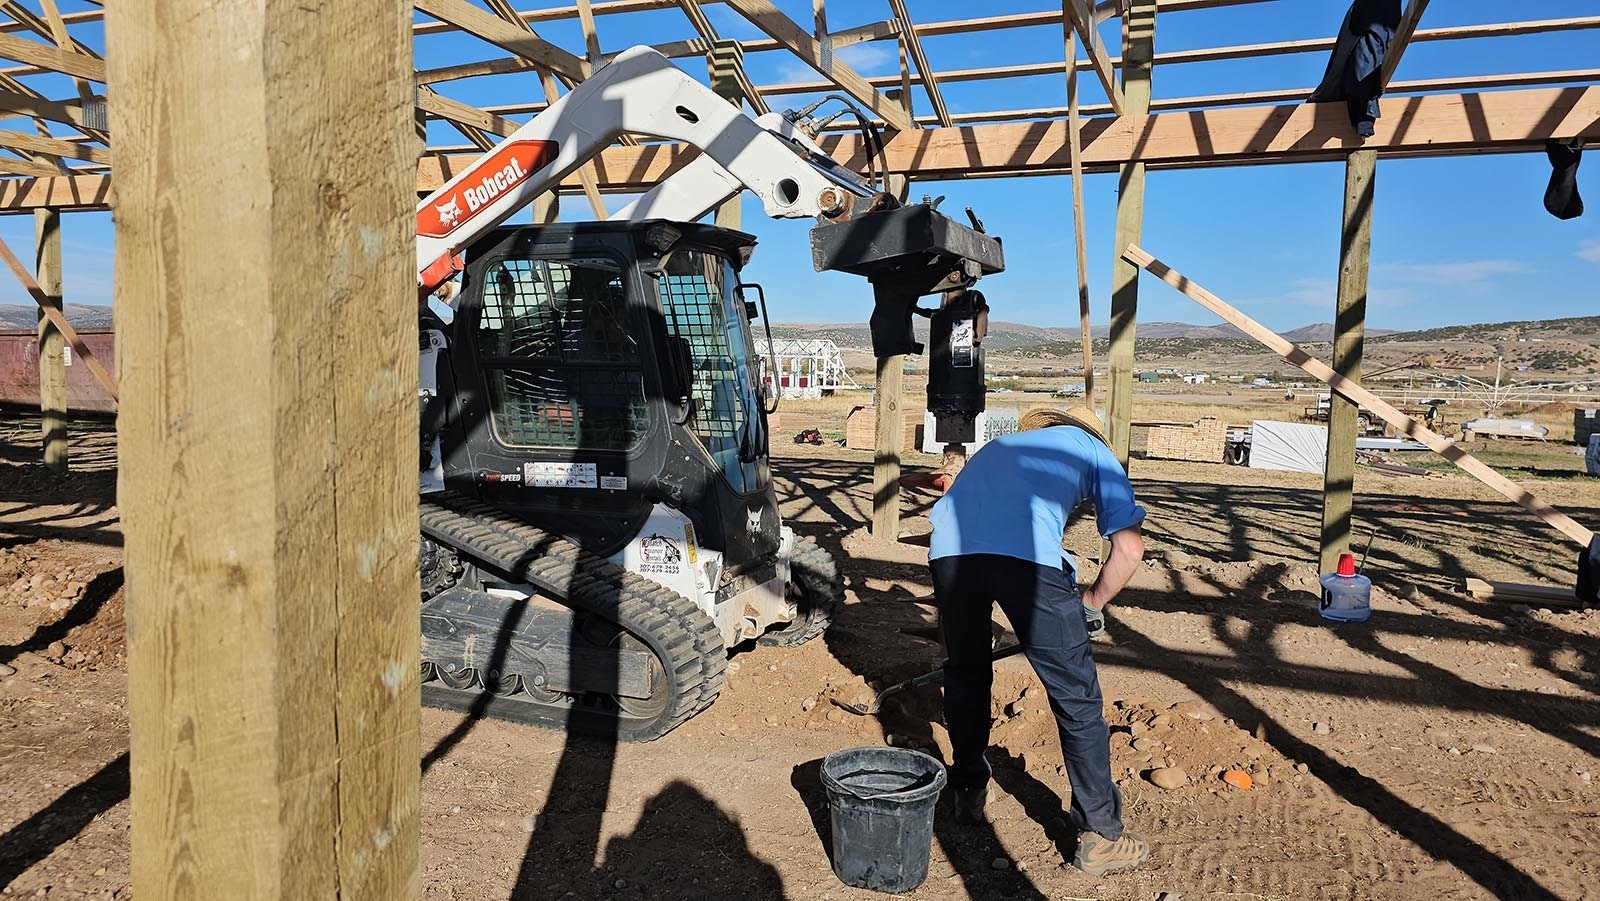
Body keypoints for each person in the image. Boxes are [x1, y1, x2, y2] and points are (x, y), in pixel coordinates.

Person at [927, 407, 1150, 877]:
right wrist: (1091, 600)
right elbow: (1130, 549)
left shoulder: (997, 449)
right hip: (1027, 564)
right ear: (1088, 434)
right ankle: (1101, 836)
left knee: (966, 674)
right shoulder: (1095, 453)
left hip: (949, 555)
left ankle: (966, 792)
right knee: (1076, 698)